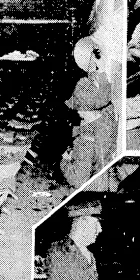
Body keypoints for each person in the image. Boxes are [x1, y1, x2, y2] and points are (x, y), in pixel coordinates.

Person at [60, 36, 116, 188]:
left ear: (81, 110)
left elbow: (78, 180)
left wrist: (64, 161)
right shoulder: (107, 115)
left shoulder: (86, 138)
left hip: (93, 187)